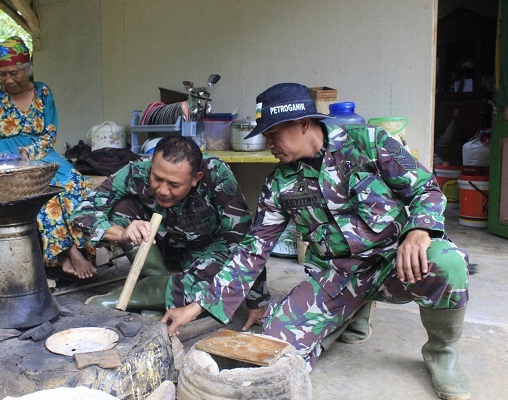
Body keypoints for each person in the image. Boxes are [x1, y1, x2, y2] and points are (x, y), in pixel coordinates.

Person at [161, 83, 471, 400]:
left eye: (273, 134)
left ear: (304, 124)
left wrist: (419, 229)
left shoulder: (368, 143)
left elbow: (426, 189)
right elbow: (251, 252)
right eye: (265, 136)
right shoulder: (279, 184)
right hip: (338, 275)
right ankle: (352, 310)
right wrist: (196, 306)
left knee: (447, 262)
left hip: (394, 263)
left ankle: (441, 353)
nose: (268, 144)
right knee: (274, 344)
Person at [71, 135, 267, 326]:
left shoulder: (216, 175)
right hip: (158, 247)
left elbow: (244, 242)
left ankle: (133, 296)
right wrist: (121, 233)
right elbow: (82, 213)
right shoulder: (138, 170)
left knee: (221, 281)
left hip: (206, 250)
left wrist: (256, 301)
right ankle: (159, 285)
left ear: (195, 178)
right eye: (157, 178)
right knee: (122, 206)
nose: (163, 190)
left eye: (175, 185)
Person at [0, 36, 96, 279]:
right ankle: (67, 255)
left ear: (28, 68)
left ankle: (83, 249)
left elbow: (50, 131)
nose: (8, 80)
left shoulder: (43, 92)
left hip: (42, 154)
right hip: (6, 159)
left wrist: (29, 153)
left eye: (14, 73)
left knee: (76, 183)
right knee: (43, 195)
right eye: (2, 74)